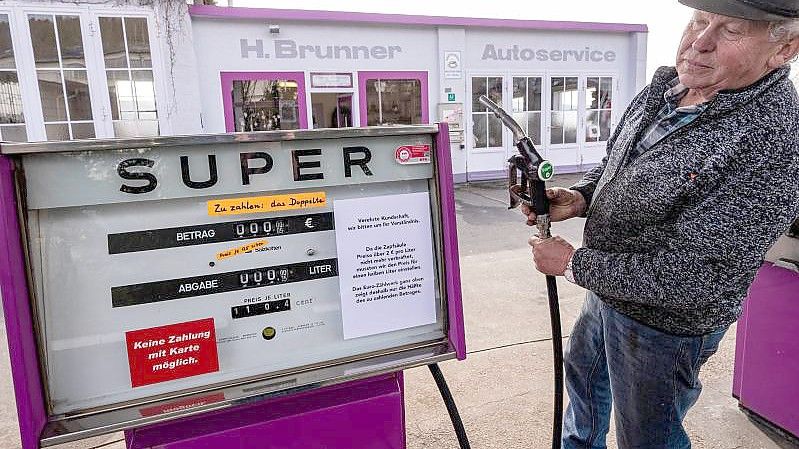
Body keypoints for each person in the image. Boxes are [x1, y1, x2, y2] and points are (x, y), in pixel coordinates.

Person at [521, 1, 799, 448]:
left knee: (647, 436)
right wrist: (579, 199)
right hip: (609, 287)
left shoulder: (772, 138)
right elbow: (620, 164)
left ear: (784, 49)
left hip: (663, 327)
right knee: (585, 382)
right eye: (699, 21)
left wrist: (573, 264)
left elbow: (694, 277)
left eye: (730, 31)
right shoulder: (671, 87)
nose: (699, 43)